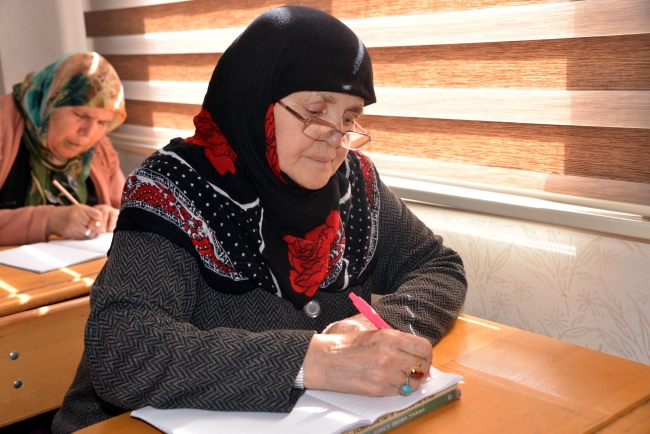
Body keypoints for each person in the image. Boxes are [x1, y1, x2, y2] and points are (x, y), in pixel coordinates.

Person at [52, 6, 467, 433]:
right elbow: (123, 351)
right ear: (256, 97)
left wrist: (372, 330)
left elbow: (439, 267)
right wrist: (314, 360)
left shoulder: (352, 182)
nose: (334, 136)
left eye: (347, 118)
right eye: (315, 111)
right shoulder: (171, 188)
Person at [0, 51, 126, 245]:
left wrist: (114, 216)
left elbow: (129, 208)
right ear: (50, 102)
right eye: (80, 115)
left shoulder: (100, 149)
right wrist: (48, 220)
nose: (89, 133)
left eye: (103, 122)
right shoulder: (3, 127)